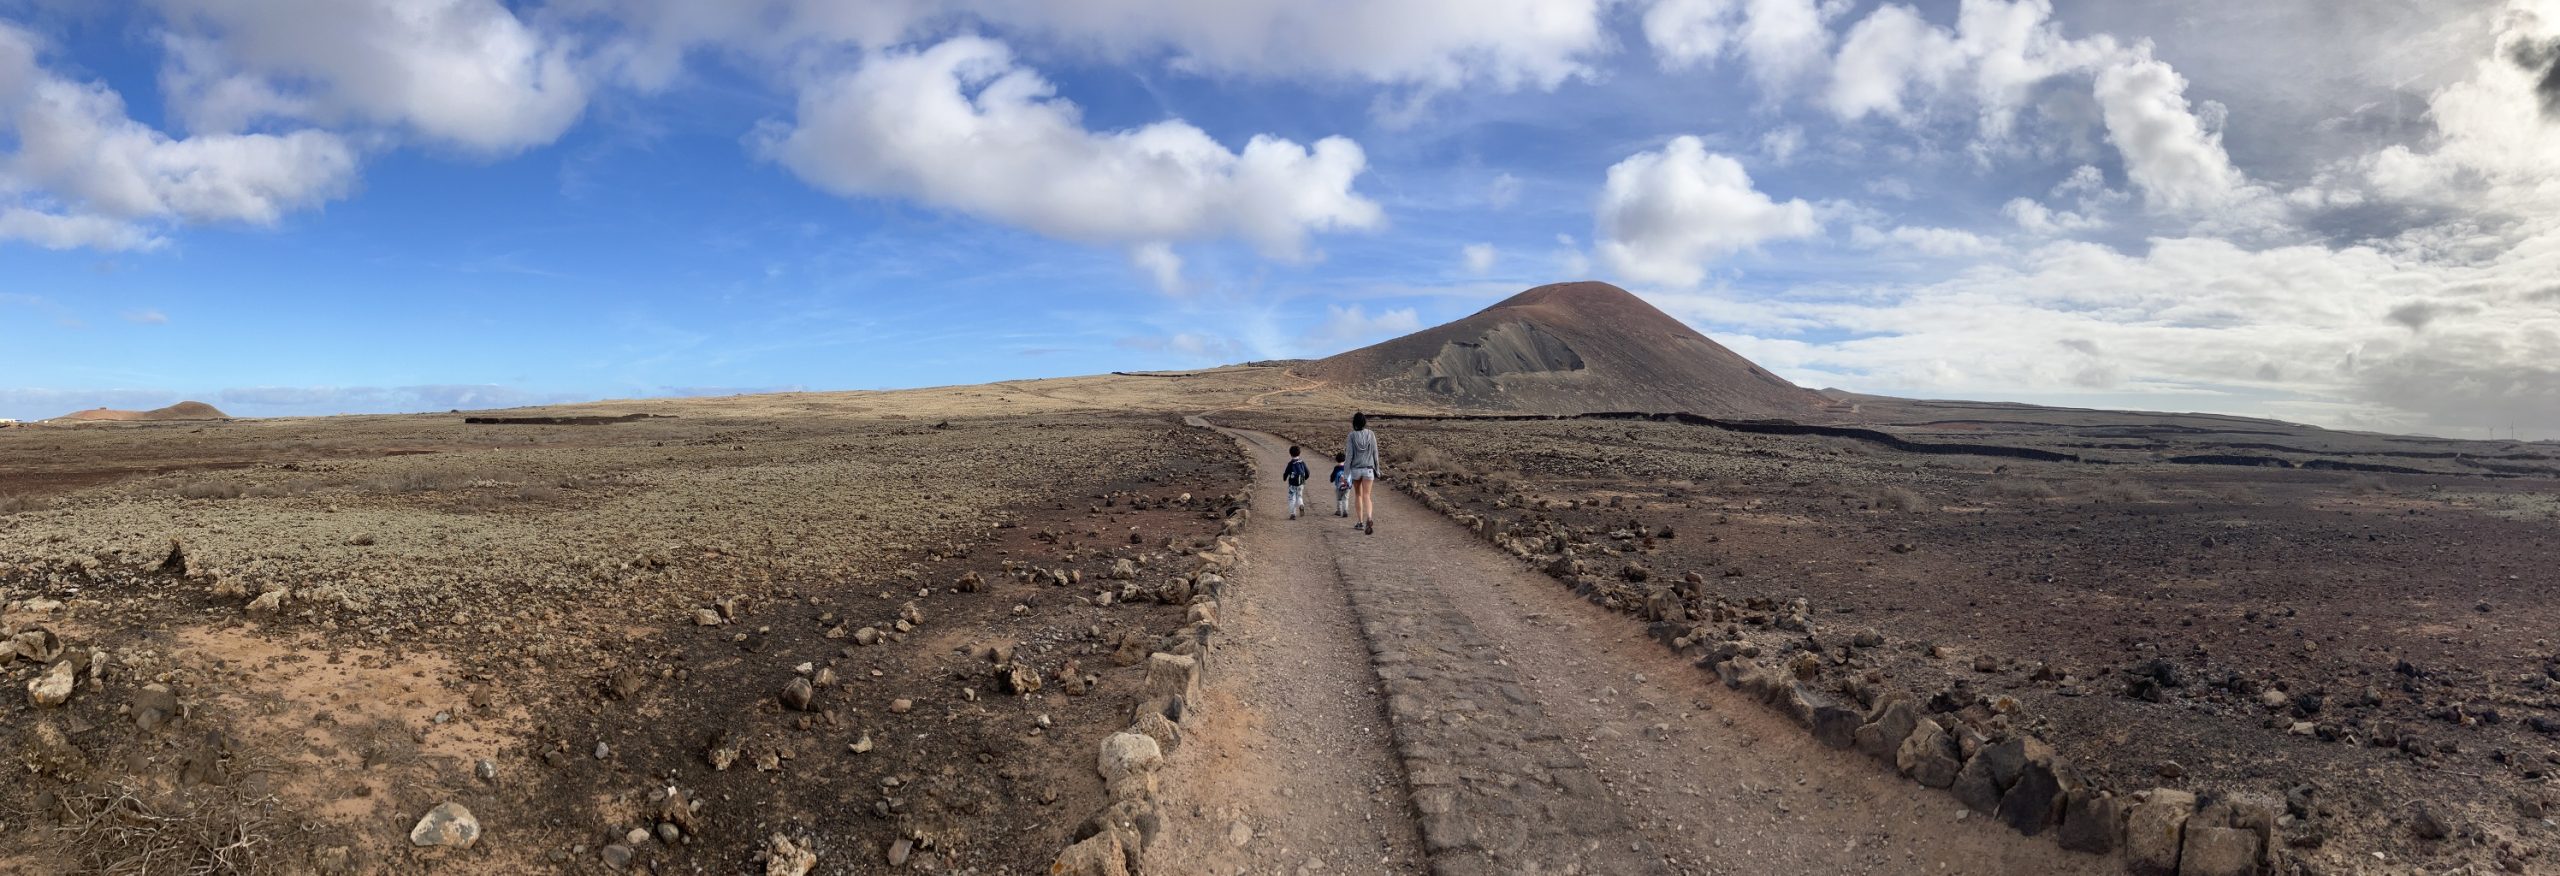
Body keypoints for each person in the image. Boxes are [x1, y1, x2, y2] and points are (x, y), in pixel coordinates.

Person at [1343, 412, 1380, 534]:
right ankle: (1369, 517)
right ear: (1364, 422)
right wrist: (1377, 470)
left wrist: (1345, 475)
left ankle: (1360, 522)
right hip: (1368, 469)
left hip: (1355, 470)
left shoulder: (1351, 436)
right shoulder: (1371, 434)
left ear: (1354, 423)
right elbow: (1375, 454)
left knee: (1358, 495)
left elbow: (1349, 457)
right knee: (1367, 495)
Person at [1282, 446, 1311, 520]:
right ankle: (1301, 504)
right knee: (1299, 496)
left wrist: (1284, 478)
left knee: (1292, 498)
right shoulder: (1302, 462)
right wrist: (1304, 479)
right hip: (1301, 483)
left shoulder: (1290, 464)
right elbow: (1307, 472)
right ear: (1299, 453)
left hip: (1292, 483)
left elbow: (1286, 473)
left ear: (1290, 454)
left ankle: (1293, 513)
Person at [1330, 452, 1351, 518]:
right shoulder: (1347, 467)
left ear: (1336, 460)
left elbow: (1332, 476)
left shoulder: (1336, 468)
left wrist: (1331, 480)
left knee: (1339, 499)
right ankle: (1345, 511)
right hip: (1347, 486)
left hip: (1338, 487)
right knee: (1346, 498)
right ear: (1345, 459)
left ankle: (1339, 511)